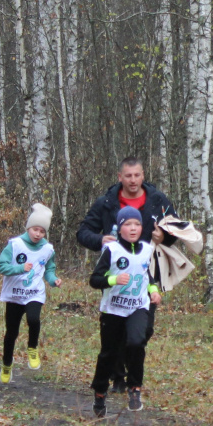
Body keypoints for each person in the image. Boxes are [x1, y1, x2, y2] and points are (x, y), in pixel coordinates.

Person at [77, 156, 176, 392]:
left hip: (147, 273)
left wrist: (165, 237)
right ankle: (119, 378)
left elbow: (177, 229)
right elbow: (83, 232)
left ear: (143, 175)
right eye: (128, 176)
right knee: (116, 329)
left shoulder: (158, 200)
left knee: (143, 331)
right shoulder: (107, 202)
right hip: (115, 275)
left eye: (137, 175)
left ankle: (123, 369)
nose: (133, 180)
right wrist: (100, 239)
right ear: (120, 177)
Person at [89, 207, 161, 416]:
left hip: (138, 306)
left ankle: (134, 388)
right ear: (120, 228)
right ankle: (100, 392)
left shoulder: (147, 249)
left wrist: (154, 290)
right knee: (108, 354)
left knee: (137, 341)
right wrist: (113, 280)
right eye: (128, 224)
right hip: (113, 309)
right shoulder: (112, 251)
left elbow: (147, 274)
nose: (133, 228)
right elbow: (94, 280)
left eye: (137, 224)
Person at [0, 203, 59, 384]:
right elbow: (2, 266)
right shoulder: (14, 245)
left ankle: (32, 348)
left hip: (34, 293)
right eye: (35, 229)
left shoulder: (48, 249)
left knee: (33, 319)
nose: (38, 234)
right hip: (14, 295)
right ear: (28, 228)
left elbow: (49, 269)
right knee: (11, 333)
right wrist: (19, 268)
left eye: (42, 231)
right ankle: (7, 364)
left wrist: (53, 279)